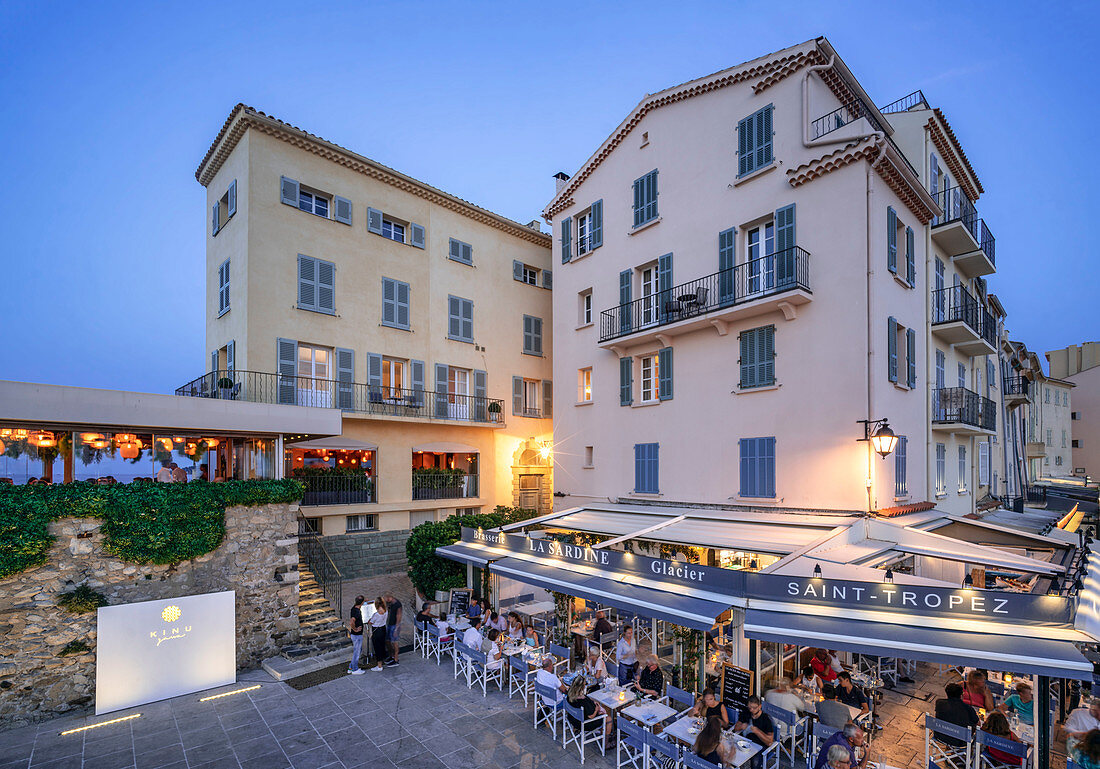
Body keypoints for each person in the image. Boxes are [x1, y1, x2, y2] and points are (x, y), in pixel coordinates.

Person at [566, 676, 613, 741]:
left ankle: (602, 731)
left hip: (572, 719)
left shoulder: (569, 694)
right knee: (608, 718)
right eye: (585, 684)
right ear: (582, 687)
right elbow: (591, 716)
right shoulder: (583, 701)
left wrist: (592, 702)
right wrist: (596, 709)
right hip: (584, 724)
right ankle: (606, 742)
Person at [934, 682, 978, 747]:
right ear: (961, 695)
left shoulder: (939, 703)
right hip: (960, 742)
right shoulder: (968, 708)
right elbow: (977, 723)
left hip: (940, 736)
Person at [366, 597, 388, 672]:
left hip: (377, 631)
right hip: (383, 629)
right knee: (382, 646)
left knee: (377, 648)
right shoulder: (386, 611)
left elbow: (370, 622)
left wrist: (369, 620)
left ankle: (379, 666)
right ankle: (383, 660)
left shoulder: (376, 614)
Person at [347, 595, 365, 675]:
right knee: (357, 652)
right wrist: (355, 629)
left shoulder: (354, 608)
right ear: (362, 602)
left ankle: (351, 667)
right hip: (357, 635)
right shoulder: (357, 612)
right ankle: (355, 669)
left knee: (358, 651)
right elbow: (351, 622)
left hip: (355, 635)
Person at [383, 592, 402, 667]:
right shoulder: (390, 603)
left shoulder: (397, 604)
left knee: (395, 642)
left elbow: (399, 616)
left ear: (388, 597)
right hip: (389, 624)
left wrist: (396, 628)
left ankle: (396, 659)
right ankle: (391, 656)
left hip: (394, 626)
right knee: (387, 641)